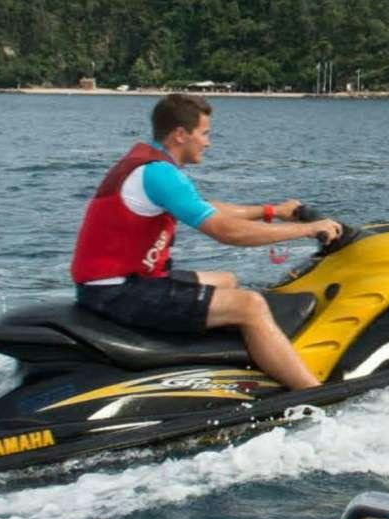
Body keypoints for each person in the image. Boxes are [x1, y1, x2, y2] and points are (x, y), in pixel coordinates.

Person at [69, 92, 342, 390]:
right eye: (205, 133)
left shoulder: (149, 162)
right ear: (180, 134)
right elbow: (227, 231)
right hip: (118, 292)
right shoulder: (159, 173)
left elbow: (206, 207)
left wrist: (272, 211)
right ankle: (313, 393)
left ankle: (232, 368)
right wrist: (309, 230)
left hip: (122, 282)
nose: (208, 142)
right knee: (250, 305)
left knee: (226, 280)